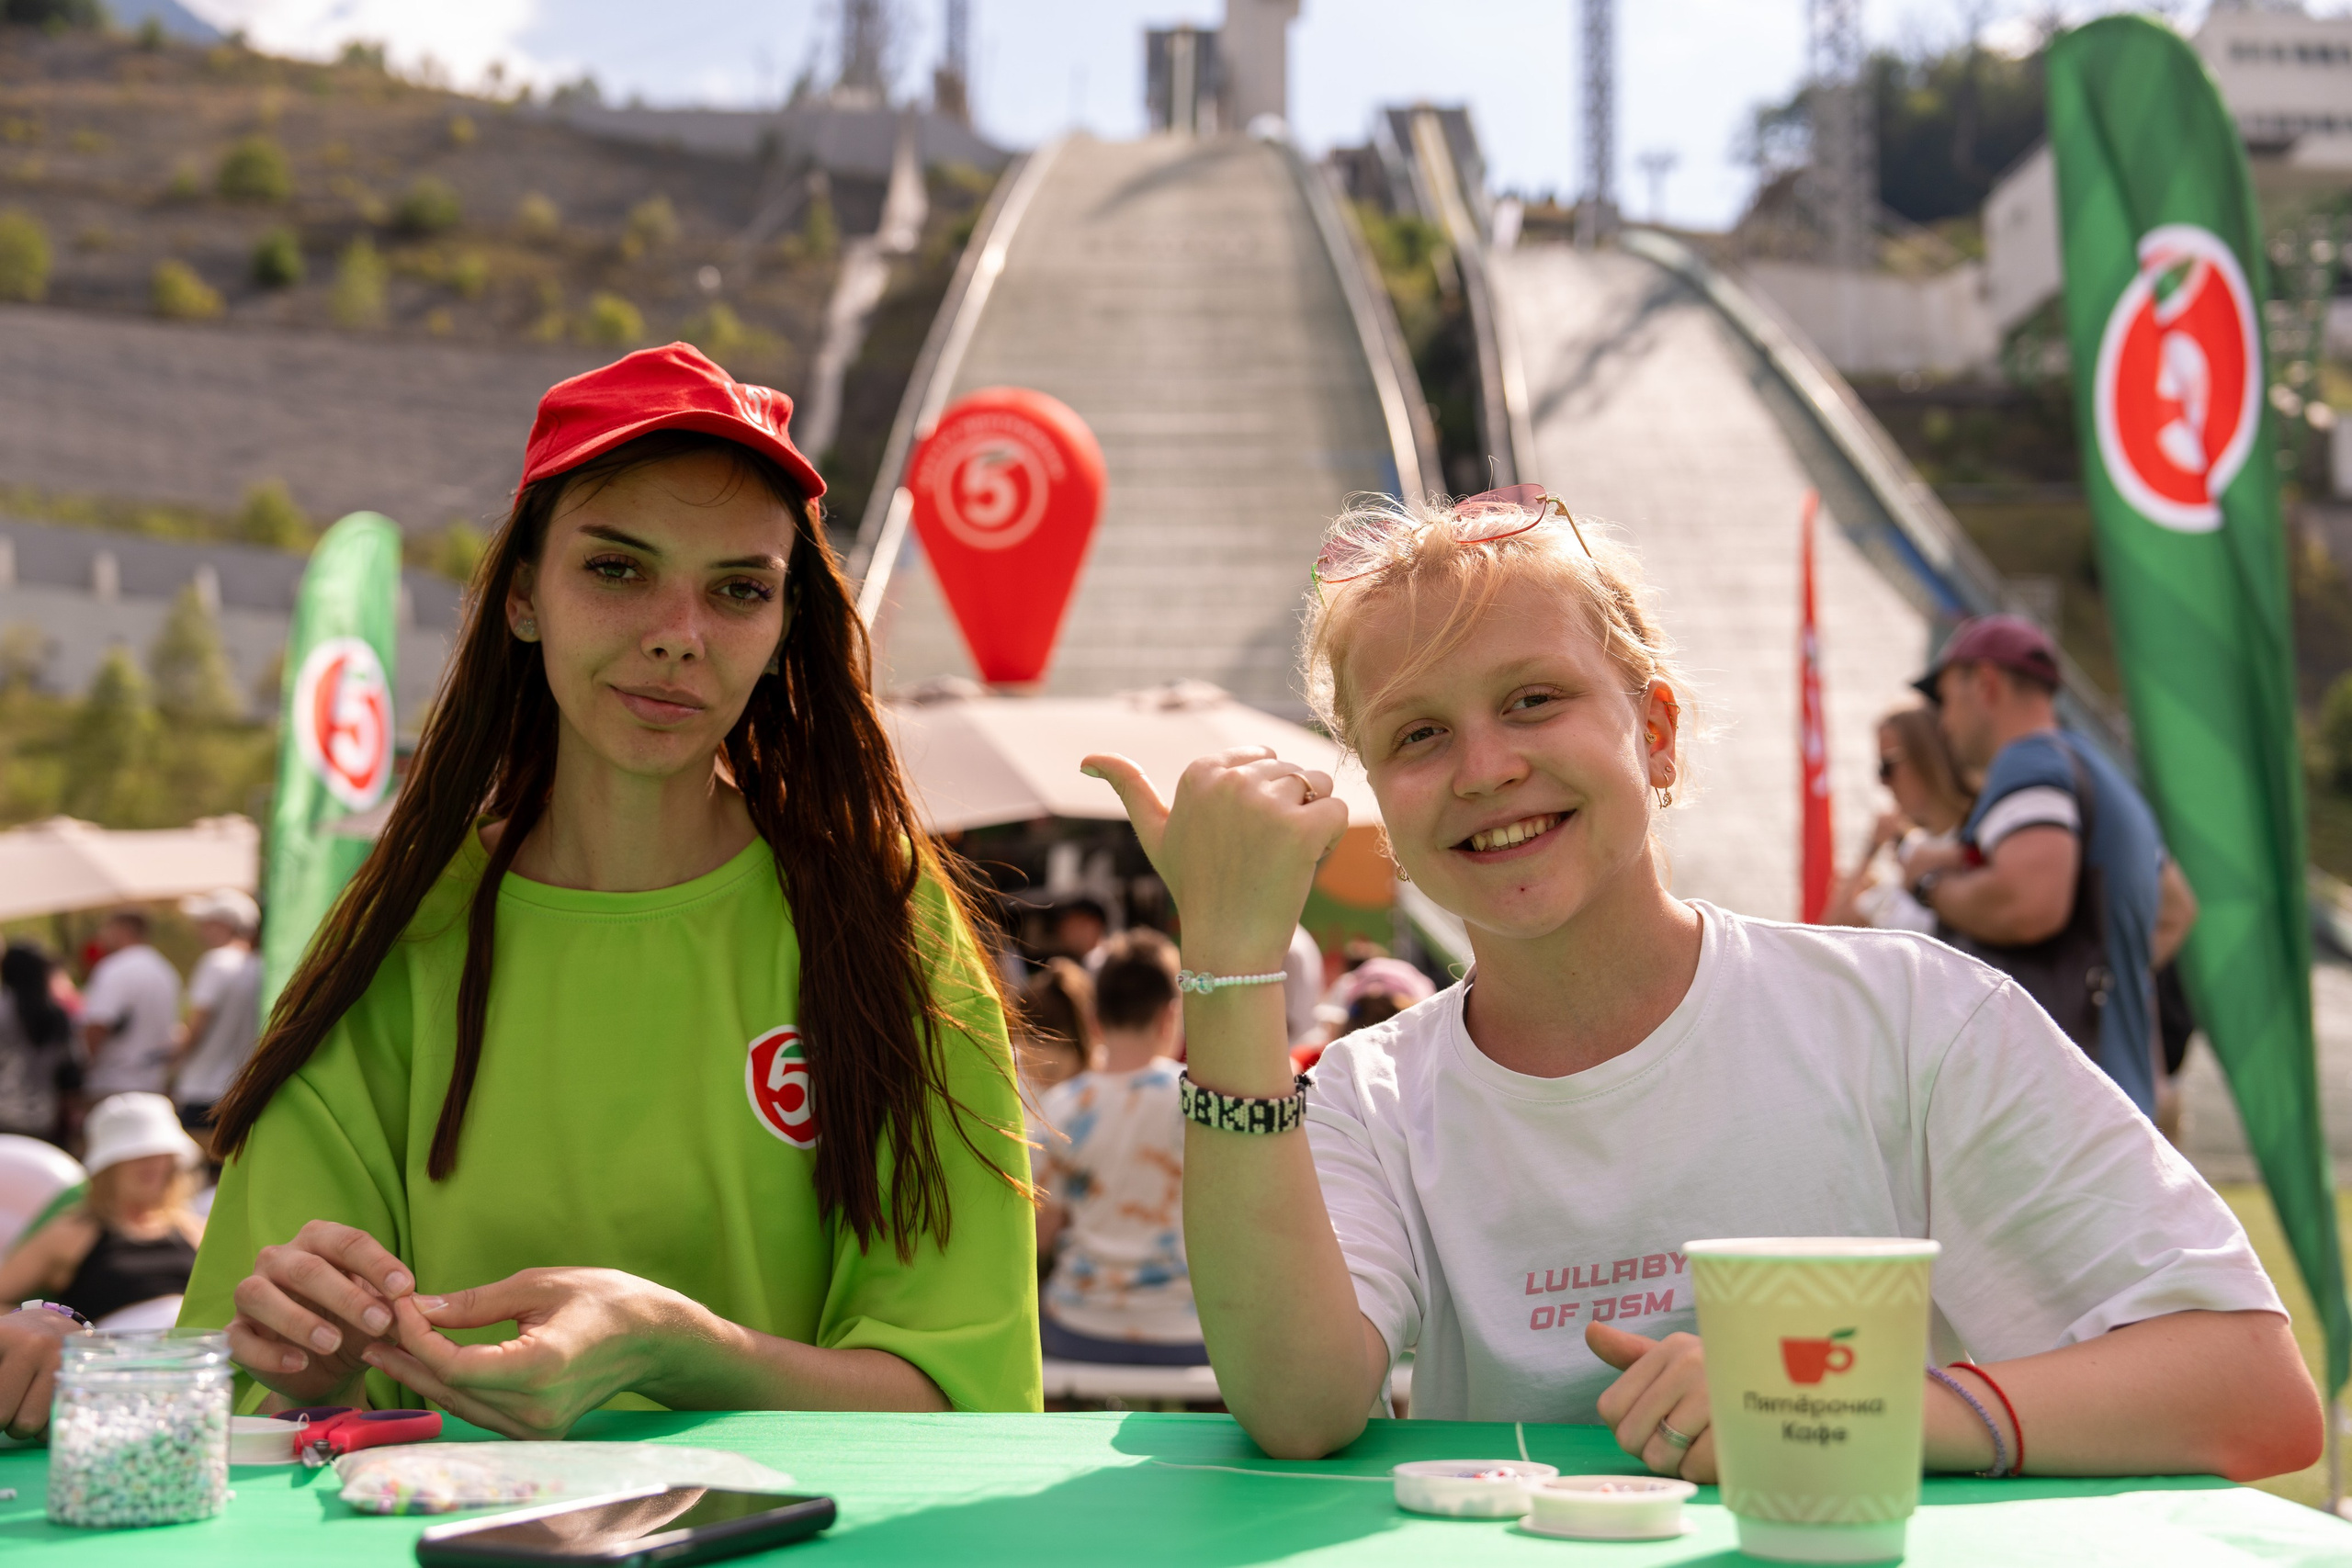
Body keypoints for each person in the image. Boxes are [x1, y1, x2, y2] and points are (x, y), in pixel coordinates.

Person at [1080, 488, 2318, 1480]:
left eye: (1535, 698)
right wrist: (1233, 956)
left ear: (1656, 732)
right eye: (1415, 733)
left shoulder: (1913, 1019)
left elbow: (2252, 1387)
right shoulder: (1370, 1093)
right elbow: (1297, 1405)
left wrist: (1847, 1401)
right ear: (1376, 805)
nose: (1486, 765)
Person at [0, 344, 1041, 1444]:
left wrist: (682, 1355)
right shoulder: (401, 930)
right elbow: (258, 1384)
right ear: (520, 598)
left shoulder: (879, 918)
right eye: (616, 568)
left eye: (739, 589)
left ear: (786, 630)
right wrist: (294, 1357)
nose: (676, 634)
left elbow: (962, 1402)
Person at [1905, 615, 2194, 1117]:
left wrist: (1930, 885)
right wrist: (2106, 974)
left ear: (1987, 684)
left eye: (1948, 701)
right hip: (2116, 1097)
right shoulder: (2104, 777)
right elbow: (2176, 909)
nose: (1944, 723)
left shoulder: (2028, 763)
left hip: (2055, 1110)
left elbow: (2029, 905)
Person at [1035, 931, 1204, 1365]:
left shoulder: (1062, 1106)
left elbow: (1041, 1238)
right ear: (1171, 1017)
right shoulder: (1199, 1102)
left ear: (1094, 1019)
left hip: (1080, 1325)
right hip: (1187, 1329)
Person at [0, 1093, 205, 1326]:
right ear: (108, 1166)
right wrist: (52, 1327)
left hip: (198, 1354)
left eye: (162, 1153)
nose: (153, 1164)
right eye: (137, 1154)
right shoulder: (71, 1233)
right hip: (114, 1358)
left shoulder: (195, 1228)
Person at [1821, 705, 1974, 932]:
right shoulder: (1914, 849)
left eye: (1887, 767)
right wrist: (1871, 849)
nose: (1882, 782)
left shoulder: (1979, 837)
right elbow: (1832, 928)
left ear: (1925, 757)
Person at [171, 889, 264, 1143]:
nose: (200, 931)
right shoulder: (262, 967)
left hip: (203, 1090)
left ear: (224, 924)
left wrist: (173, 1050)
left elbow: (196, 1027)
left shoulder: (215, 963)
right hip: (241, 1090)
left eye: (207, 923)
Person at [77, 909, 182, 1100]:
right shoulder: (166, 970)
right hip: (153, 1082)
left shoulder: (115, 968)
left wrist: (81, 1068)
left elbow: (99, 1024)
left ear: (122, 930)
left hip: (113, 1082)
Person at [0, 942, 75, 1145]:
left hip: (4, 1116)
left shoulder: (4, 1010)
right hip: (46, 1117)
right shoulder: (56, 1012)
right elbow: (70, 1069)